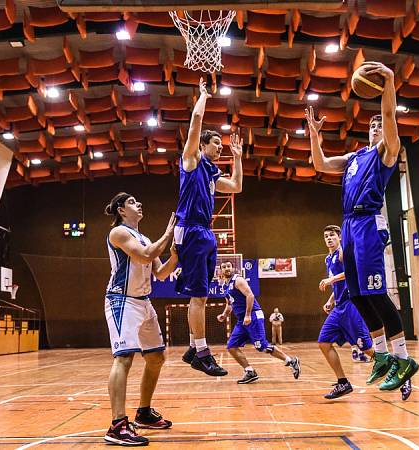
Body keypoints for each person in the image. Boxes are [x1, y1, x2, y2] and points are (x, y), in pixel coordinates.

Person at [305, 61, 418, 392]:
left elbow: (389, 119)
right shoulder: (355, 157)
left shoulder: (386, 154)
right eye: (371, 124)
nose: (375, 127)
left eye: (379, 124)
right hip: (349, 225)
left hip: (367, 222)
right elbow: (320, 163)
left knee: (377, 294)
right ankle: (381, 355)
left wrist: (389, 82)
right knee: (358, 295)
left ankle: (403, 357)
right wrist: (314, 136)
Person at [176, 80, 244, 377]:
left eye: (221, 142)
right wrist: (203, 96)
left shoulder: (212, 172)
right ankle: (202, 352)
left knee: (203, 294)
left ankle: (194, 347)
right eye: (215, 142)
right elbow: (194, 125)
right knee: (199, 297)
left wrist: (239, 158)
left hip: (205, 231)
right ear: (202, 145)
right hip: (190, 229)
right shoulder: (191, 161)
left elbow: (237, 187)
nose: (220, 145)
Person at [102, 192, 178, 446]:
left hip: (144, 302)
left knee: (156, 357)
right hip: (122, 300)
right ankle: (117, 425)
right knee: (123, 358)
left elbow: (161, 272)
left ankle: (143, 412)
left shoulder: (144, 238)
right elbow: (145, 255)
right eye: (133, 202)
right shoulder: (118, 233)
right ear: (121, 210)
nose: (140, 203)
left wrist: (177, 255)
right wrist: (168, 234)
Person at [317, 224, 377, 399]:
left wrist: (331, 279)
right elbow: (340, 285)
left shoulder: (343, 253)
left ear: (340, 237)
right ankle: (343, 382)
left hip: (352, 304)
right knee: (324, 342)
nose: (329, 238)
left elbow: (352, 272)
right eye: (326, 236)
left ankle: (400, 370)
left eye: (332, 235)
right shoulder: (328, 259)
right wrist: (330, 301)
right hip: (339, 305)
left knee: (365, 348)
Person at [217, 261, 301, 384]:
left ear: (233, 268)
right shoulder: (225, 285)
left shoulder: (238, 280)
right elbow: (230, 304)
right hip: (242, 321)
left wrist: (247, 315)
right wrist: (224, 315)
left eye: (229, 266)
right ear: (220, 270)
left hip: (253, 316)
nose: (227, 268)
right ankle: (249, 371)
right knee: (231, 346)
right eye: (224, 267)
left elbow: (250, 296)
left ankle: (291, 361)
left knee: (262, 346)